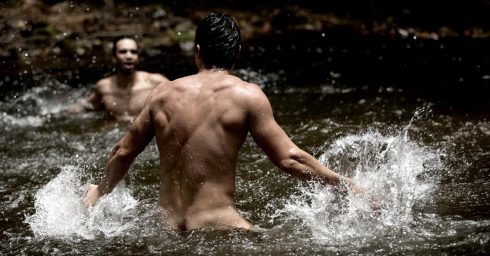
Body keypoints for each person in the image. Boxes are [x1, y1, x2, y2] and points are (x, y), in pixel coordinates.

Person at [83, 13, 378, 231]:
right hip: (221, 230)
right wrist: (350, 186)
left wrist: (97, 192)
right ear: (237, 53)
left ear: (197, 51)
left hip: (168, 230)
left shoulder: (161, 94)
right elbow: (290, 159)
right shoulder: (246, 95)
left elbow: (124, 152)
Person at [67, 35, 169, 122]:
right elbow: (86, 106)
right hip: (113, 136)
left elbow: (181, 96)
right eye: (123, 52)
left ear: (138, 57)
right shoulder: (104, 87)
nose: (129, 56)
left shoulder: (155, 82)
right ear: (114, 57)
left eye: (133, 52)